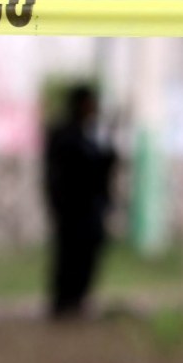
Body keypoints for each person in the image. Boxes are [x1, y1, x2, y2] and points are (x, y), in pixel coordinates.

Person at [42, 84, 118, 321]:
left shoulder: (86, 135)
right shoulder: (67, 135)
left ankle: (76, 300)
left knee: (84, 258)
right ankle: (66, 302)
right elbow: (70, 173)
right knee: (69, 258)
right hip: (73, 211)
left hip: (87, 211)